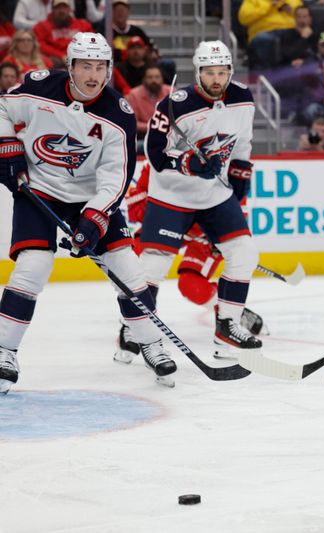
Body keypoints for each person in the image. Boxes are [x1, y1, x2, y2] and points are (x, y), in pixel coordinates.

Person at [0, 32, 176, 393]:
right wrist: (8, 147)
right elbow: (2, 107)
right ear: (70, 67)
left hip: (91, 198)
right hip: (40, 191)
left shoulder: (119, 113)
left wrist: (94, 218)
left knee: (126, 267)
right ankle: (4, 351)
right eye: (86, 66)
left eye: (101, 66)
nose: (94, 75)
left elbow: (117, 175)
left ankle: (150, 343)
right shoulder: (40, 86)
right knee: (33, 266)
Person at [140, 40, 262, 359]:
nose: (217, 80)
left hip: (214, 195)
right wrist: (187, 163)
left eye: (222, 72)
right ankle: (135, 329)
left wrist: (239, 175)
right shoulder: (175, 104)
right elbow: (154, 153)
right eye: (210, 73)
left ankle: (227, 329)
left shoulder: (242, 98)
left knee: (244, 252)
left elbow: (242, 143)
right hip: (171, 194)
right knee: (153, 263)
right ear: (198, 73)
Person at [121, 164, 266, 350]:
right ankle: (132, 325)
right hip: (166, 222)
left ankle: (228, 313)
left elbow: (236, 201)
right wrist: (169, 214)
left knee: (191, 286)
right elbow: (135, 206)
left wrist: (215, 227)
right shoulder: (158, 159)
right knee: (141, 267)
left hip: (204, 233)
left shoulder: (218, 157)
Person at [33, 0, 93, 65]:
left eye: (65, 7)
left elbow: (91, 42)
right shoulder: (41, 26)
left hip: (79, 57)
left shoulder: (83, 25)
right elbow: (40, 45)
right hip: (56, 61)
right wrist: (60, 55)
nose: (62, 11)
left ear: (70, 9)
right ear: (52, 10)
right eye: (58, 7)